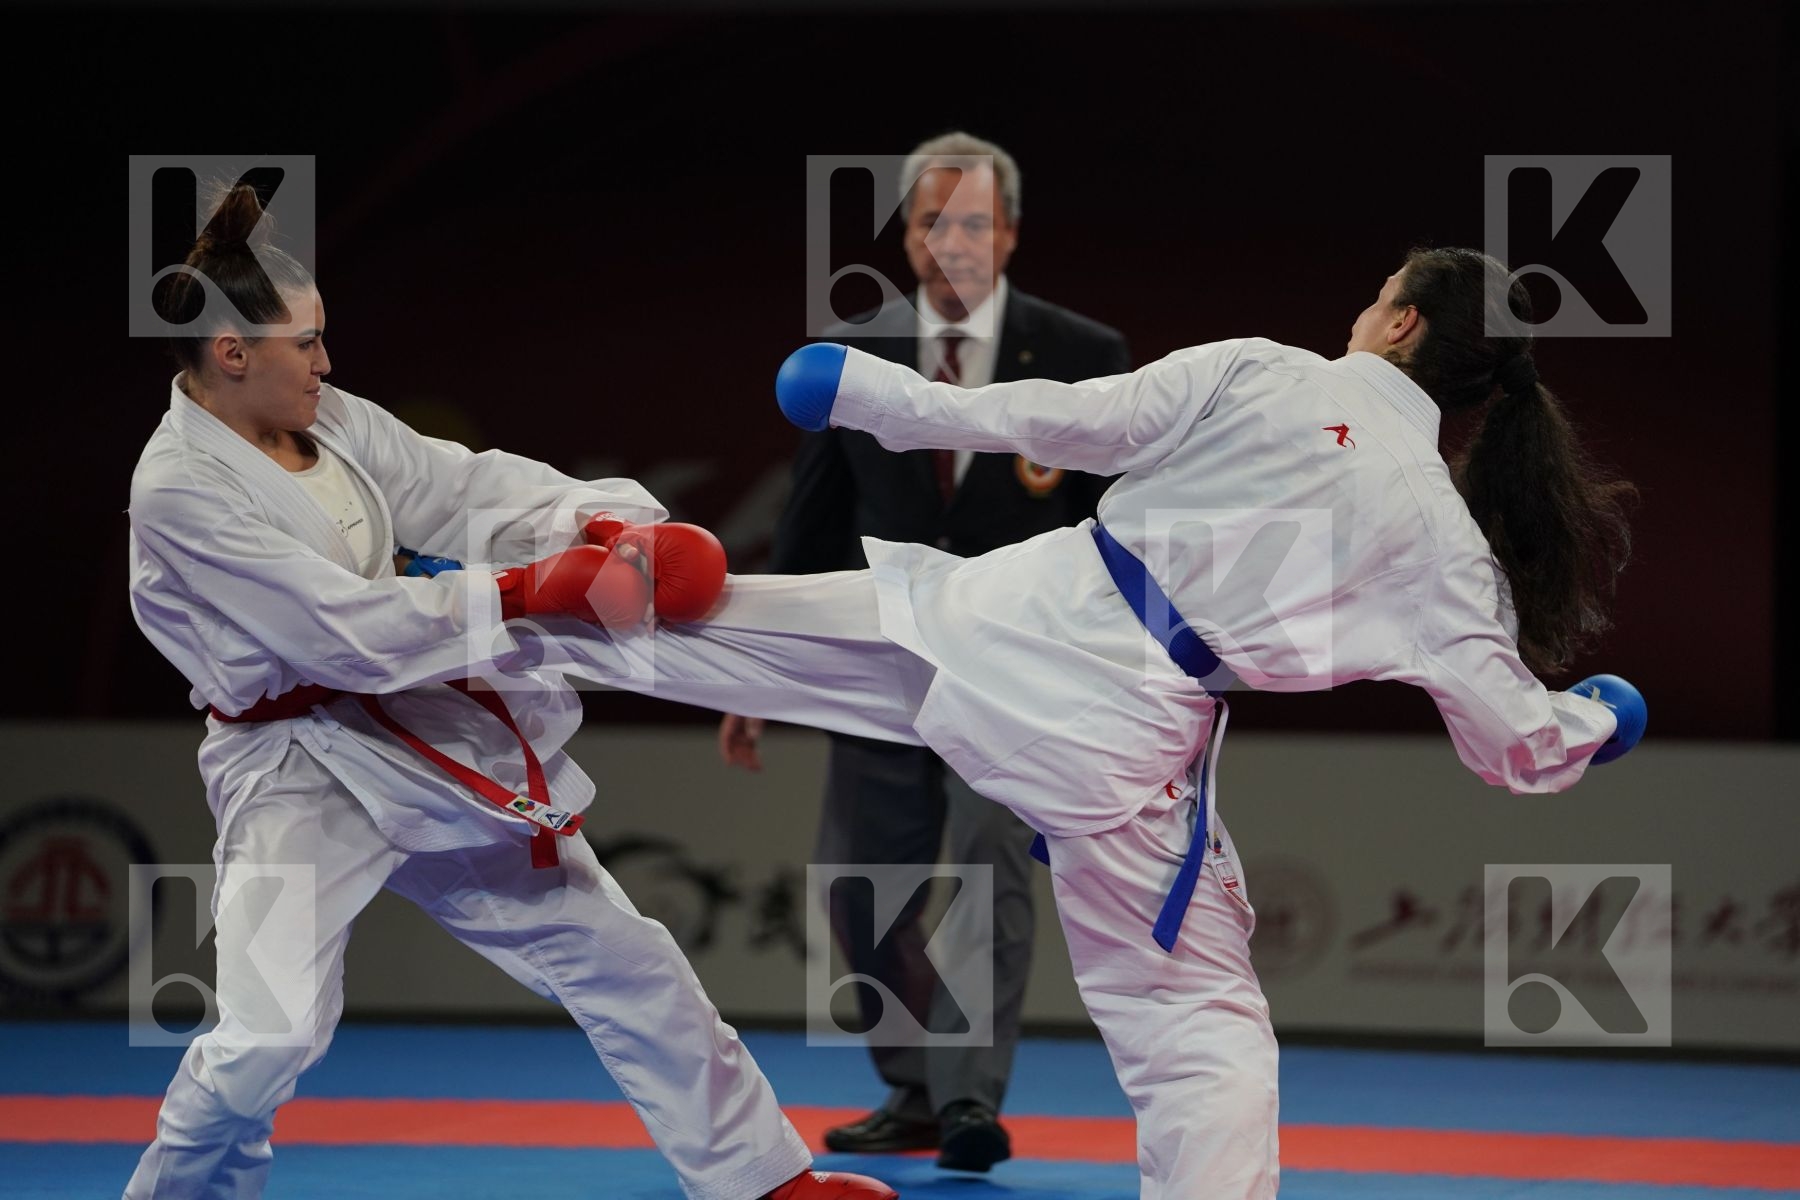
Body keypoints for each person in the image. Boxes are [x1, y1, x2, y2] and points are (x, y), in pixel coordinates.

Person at [531, 245, 1646, 1199]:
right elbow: (1513, 742)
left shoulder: (1269, 371)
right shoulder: (1448, 546)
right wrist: (1597, 718)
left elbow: (1059, 418)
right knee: (1199, 1026)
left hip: (1013, 618)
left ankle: (476, 608)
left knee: (720, 624)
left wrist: (867, 392)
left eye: (1379, 294)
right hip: (1132, 740)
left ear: (1400, 321)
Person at [124, 182, 896, 1200]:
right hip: (296, 772)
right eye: (305, 344)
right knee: (267, 1037)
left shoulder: (336, 423)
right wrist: (529, 591)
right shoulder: (180, 487)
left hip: (428, 740)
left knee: (628, 960)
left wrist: (600, 525)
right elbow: (342, 635)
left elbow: (468, 488)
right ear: (231, 354)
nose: (326, 362)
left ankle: (764, 1179)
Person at [720, 130, 1128, 1172]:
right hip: (883, 666)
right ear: (906, 238)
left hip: (1020, 670)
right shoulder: (850, 361)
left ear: (1010, 236)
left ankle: (966, 1106)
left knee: (990, 867)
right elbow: (812, 529)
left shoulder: (1084, 356)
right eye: (933, 222)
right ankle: (913, 1084)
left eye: (975, 224)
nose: (954, 243)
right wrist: (757, 669)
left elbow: (1123, 531)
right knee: (859, 888)